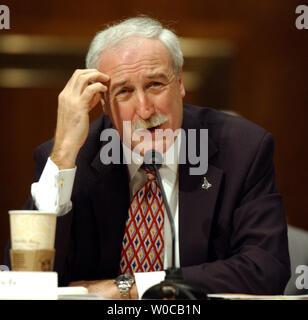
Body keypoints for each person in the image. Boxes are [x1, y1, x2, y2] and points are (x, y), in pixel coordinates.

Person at [4, 16, 290, 299]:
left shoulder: (242, 149)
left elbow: (266, 269)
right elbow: (26, 282)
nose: (145, 109)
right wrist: (64, 153)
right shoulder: (74, 158)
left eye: (155, 84)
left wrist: (133, 286)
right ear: (102, 102)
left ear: (179, 82)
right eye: (124, 91)